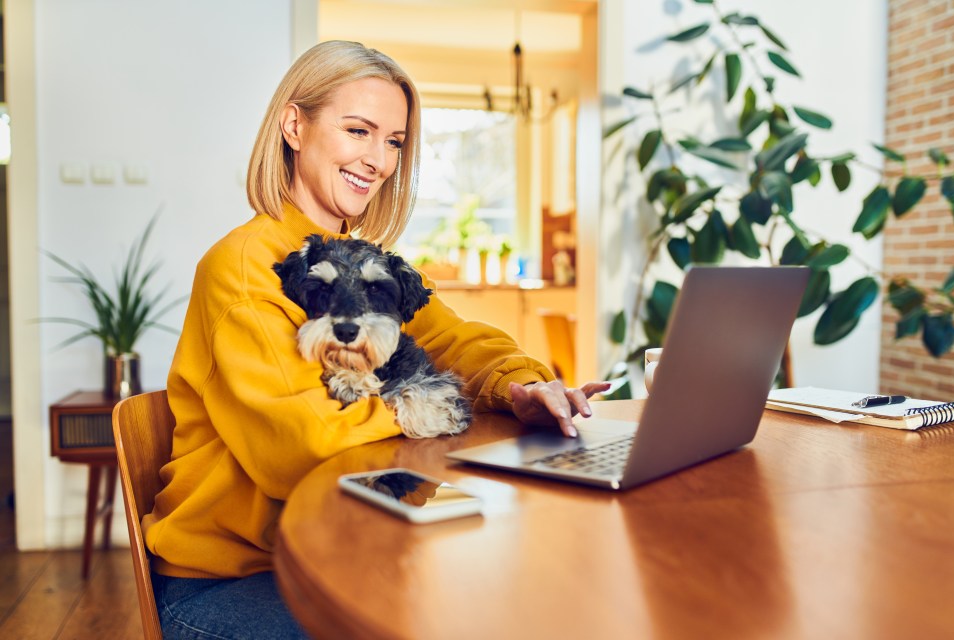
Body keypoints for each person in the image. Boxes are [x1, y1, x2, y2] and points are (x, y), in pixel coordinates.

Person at [144, 40, 610, 639]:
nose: (379, 160)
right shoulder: (241, 270)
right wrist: (425, 405)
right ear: (294, 125)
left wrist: (521, 384)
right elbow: (302, 448)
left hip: (341, 540)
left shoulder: (367, 263)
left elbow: (453, 337)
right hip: (233, 578)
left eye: (393, 141)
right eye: (359, 130)